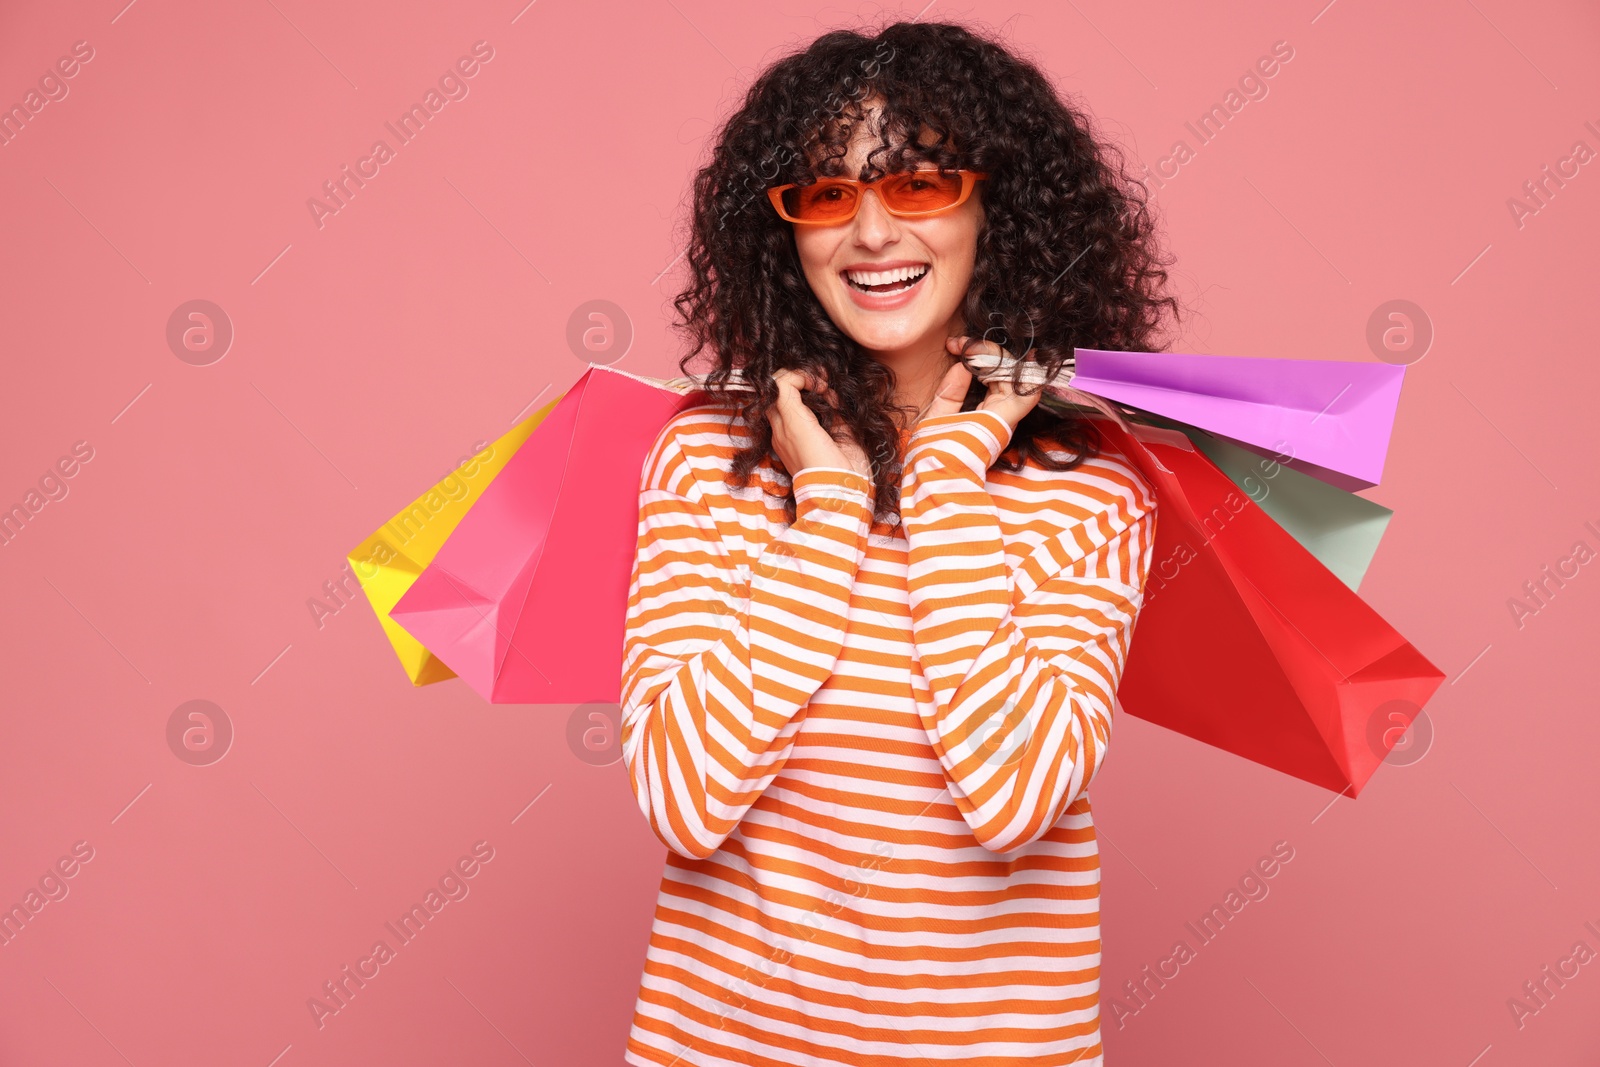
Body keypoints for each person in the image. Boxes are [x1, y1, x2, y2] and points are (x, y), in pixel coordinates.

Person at [619, 19, 1181, 1066]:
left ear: (992, 209)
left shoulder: (1092, 494)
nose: (870, 232)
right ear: (784, 231)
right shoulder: (703, 461)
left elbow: (1012, 796)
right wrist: (831, 506)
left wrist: (941, 479)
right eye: (827, 194)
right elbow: (684, 800)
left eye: (917, 184)